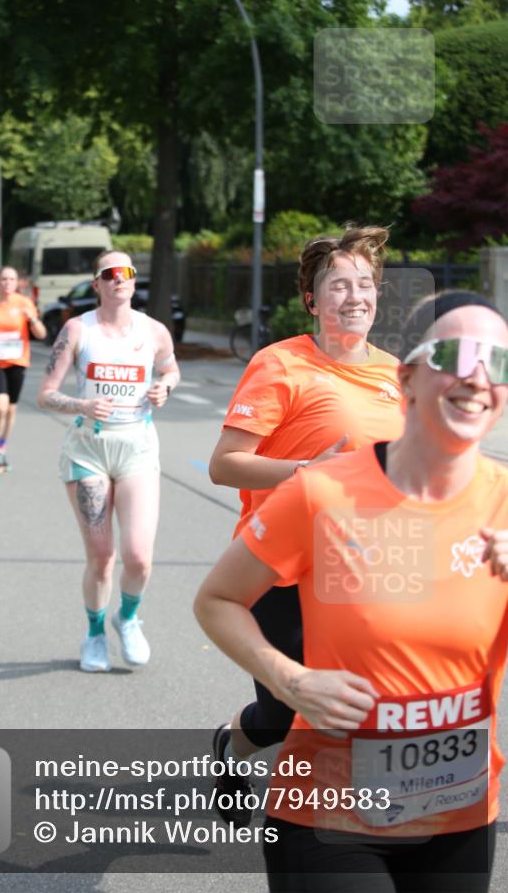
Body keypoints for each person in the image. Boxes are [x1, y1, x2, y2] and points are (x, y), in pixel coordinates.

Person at [195, 291, 508, 893]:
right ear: (409, 375)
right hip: (330, 815)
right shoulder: (322, 493)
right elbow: (218, 600)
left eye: (496, 361)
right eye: (455, 354)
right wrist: (291, 679)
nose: (476, 375)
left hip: (460, 810)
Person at [207, 226, 404, 822]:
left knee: (372, 698)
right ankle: (231, 745)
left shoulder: (398, 374)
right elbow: (224, 464)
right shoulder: (281, 364)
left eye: (364, 283)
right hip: (281, 568)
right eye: (338, 285)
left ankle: (324, 820)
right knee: (286, 711)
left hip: (368, 567)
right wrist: (306, 471)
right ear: (313, 301)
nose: (354, 295)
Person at [38, 250, 180, 673]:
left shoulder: (154, 332)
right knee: (101, 557)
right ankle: (95, 632)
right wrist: (81, 404)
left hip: (136, 448)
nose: (120, 279)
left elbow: (171, 371)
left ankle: (128, 618)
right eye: (110, 274)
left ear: (134, 282)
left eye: (127, 273)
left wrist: (165, 388)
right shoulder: (77, 330)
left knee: (139, 556)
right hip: (88, 451)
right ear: (97, 283)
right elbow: (46, 393)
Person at [0, 266, 46, 474]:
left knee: (11, 409)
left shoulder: (24, 303)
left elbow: (41, 334)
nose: (7, 283)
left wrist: (32, 319)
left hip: (17, 361)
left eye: (11, 279)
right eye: (4, 279)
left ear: (17, 283)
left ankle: (2, 449)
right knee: (0, 405)